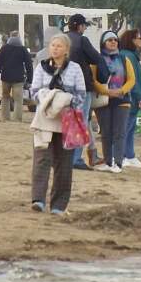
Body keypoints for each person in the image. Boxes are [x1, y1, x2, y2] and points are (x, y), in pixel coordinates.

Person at [30, 33, 86, 215]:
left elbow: (81, 95)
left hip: (66, 120)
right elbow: (33, 92)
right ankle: (38, 199)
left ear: (67, 50)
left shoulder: (75, 69)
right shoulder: (41, 67)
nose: (55, 48)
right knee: (41, 159)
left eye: (59, 46)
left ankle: (58, 205)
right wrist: (48, 99)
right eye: (53, 45)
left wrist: (65, 101)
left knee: (64, 163)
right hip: (44, 118)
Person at [64, 14, 104, 171]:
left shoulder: (62, 39)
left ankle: (67, 155)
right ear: (79, 26)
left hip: (65, 84)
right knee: (81, 120)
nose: (85, 28)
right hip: (83, 85)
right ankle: (76, 158)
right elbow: (95, 57)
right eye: (84, 26)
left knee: (69, 120)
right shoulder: (82, 40)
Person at [91, 31, 134, 173]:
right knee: (106, 132)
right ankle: (108, 161)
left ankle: (118, 162)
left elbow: (131, 79)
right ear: (103, 42)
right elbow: (93, 79)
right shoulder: (97, 59)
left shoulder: (124, 59)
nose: (113, 42)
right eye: (109, 40)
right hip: (103, 99)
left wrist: (121, 90)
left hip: (122, 99)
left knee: (119, 132)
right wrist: (106, 91)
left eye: (115, 39)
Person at [118, 30, 141, 168]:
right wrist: (140, 97)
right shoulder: (127, 56)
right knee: (126, 128)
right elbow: (133, 80)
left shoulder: (132, 56)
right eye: (138, 38)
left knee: (130, 128)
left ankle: (129, 155)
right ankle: (123, 156)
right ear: (131, 40)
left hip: (134, 98)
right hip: (130, 98)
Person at [0, 33, 34, 122]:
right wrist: (30, 79)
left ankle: (5, 117)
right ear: (19, 38)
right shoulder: (23, 49)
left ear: (10, 37)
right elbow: (29, 65)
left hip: (6, 77)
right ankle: (17, 119)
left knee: (5, 97)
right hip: (18, 79)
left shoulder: (4, 49)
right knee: (18, 99)